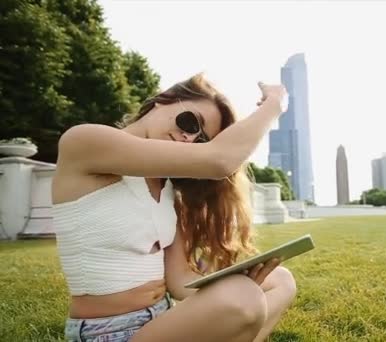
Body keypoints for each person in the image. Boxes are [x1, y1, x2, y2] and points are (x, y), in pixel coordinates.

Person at [52, 73, 297, 341]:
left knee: (280, 281)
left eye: (201, 140)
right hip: (107, 332)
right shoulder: (85, 141)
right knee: (243, 297)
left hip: (162, 321)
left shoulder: (167, 190)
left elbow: (180, 282)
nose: (189, 140)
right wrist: (273, 104)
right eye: (191, 122)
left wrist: (236, 278)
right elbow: (220, 160)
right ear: (162, 101)